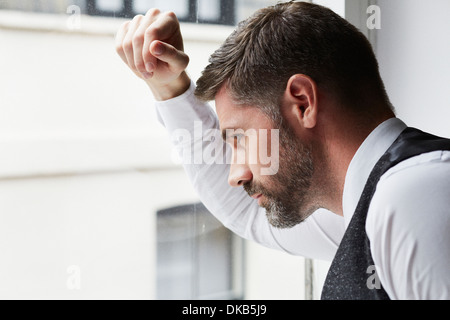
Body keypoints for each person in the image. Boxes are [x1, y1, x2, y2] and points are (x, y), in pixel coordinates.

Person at [115, 2, 450, 299]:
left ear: (302, 102)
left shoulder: (410, 199)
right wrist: (168, 87)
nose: (237, 173)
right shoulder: (369, 206)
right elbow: (246, 212)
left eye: (240, 137)